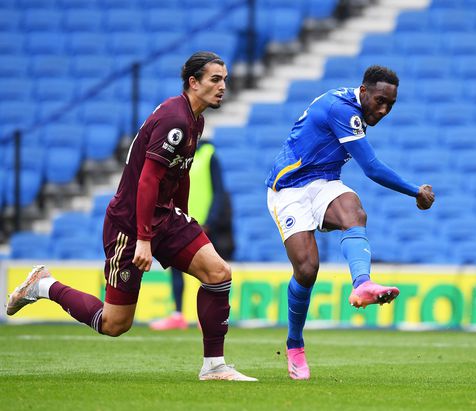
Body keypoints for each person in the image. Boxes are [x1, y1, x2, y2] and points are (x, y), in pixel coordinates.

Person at [6, 51, 256, 382]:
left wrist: (182, 213)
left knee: (218, 273)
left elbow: (181, 173)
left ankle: (214, 366)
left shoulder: (195, 119)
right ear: (193, 83)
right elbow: (148, 180)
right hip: (129, 224)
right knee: (115, 324)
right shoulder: (175, 120)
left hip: (165, 216)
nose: (223, 86)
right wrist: (143, 239)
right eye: (215, 79)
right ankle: (44, 286)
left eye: (224, 79)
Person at [265, 65, 435, 380]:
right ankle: (295, 344)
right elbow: (370, 167)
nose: (383, 110)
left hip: (323, 182)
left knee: (354, 212)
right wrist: (415, 191)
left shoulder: (351, 107)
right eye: (380, 101)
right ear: (364, 91)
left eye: (391, 105)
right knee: (307, 270)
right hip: (288, 187)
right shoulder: (342, 109)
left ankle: (362, 284)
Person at [149, 138, 235, 331]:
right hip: (180, 221)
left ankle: (205, 316)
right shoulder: (178, 155)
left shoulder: (209, 155)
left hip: (204, 225)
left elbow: (219, 192)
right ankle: (178, 314)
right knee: (175, 269)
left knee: (206, 271)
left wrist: (209, 222)